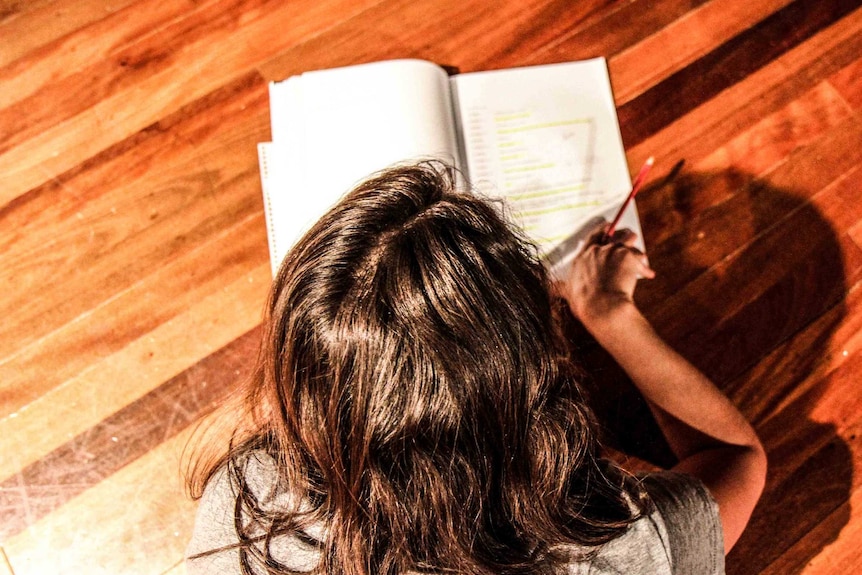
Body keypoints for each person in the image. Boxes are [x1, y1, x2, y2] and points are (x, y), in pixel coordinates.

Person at [185, 161, 766, 575]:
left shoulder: (245, 507)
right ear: (534, 381)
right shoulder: (620, 552)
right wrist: (609, 313)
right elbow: (736, 459)